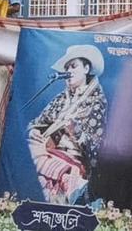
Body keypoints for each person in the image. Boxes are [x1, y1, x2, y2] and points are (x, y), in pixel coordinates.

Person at [28, 44, 108, 205]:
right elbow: (37, 122)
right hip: (48, 150)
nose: (68, 71)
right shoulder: (60, 99)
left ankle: (75, 186)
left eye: (73, 66)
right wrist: (34, 131)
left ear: (86, 68)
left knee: (43, 162)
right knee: (28, 144)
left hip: (74, 157)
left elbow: (96, 144)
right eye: (66, 67)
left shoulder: (98, 101)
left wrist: (74, 130)